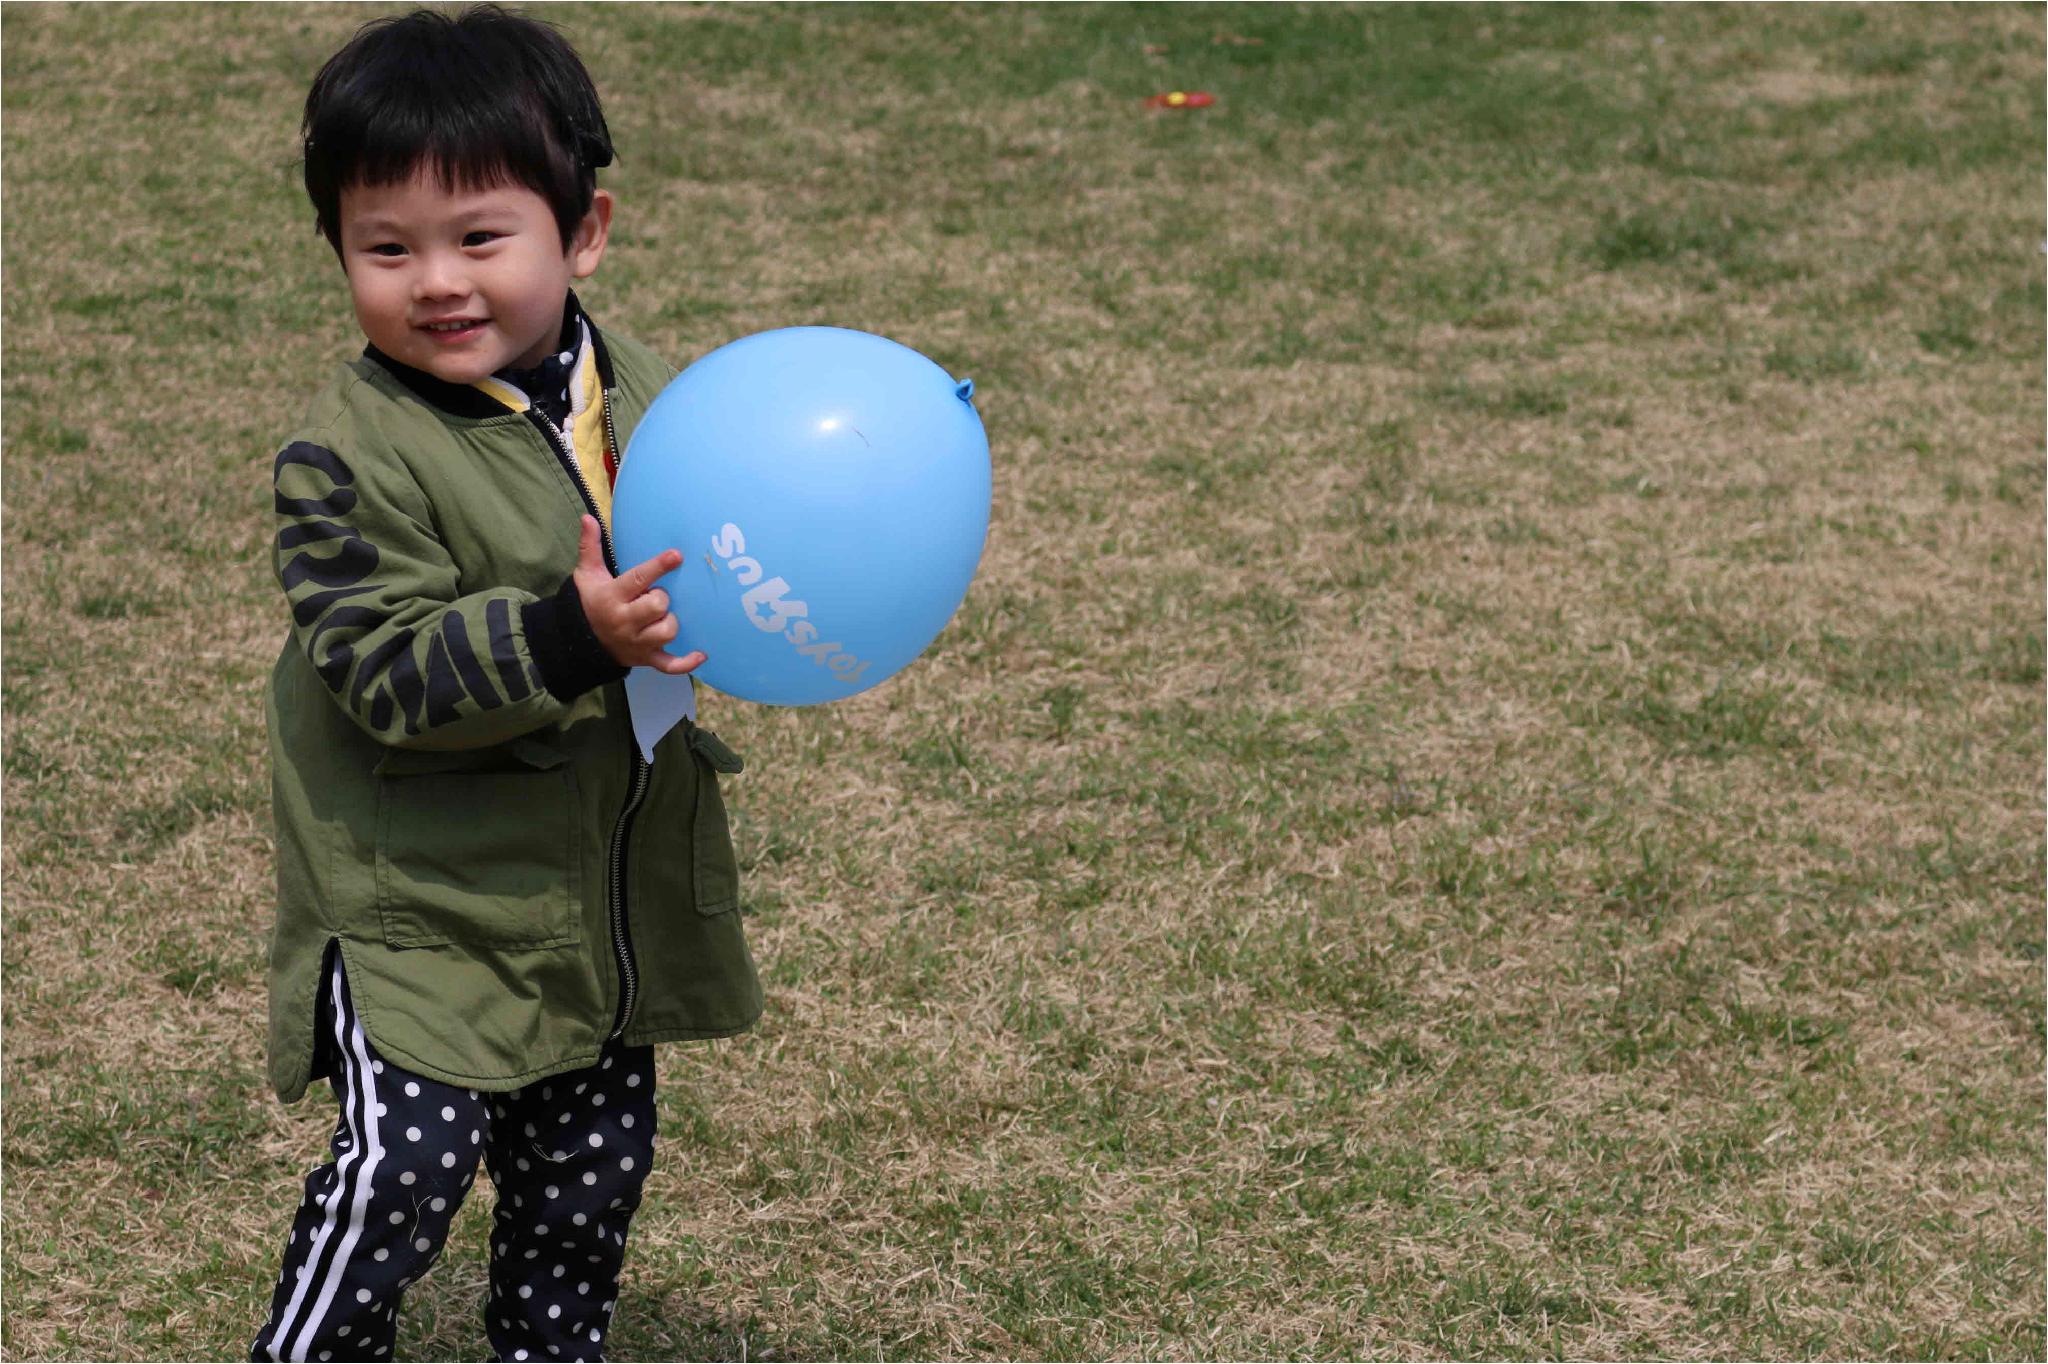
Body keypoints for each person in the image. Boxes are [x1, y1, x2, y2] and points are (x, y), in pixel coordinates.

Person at [252, 9, 762, 1360]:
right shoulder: (345, 458)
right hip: (420, 898)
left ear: (582, 232)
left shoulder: (644, 400)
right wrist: (569, 638)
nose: (436, 282)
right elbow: (379, 672)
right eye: (386, 247)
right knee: (401, 1176)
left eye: (479, 237)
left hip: (589, 889)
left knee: (588, 1178)